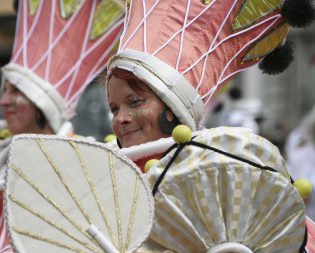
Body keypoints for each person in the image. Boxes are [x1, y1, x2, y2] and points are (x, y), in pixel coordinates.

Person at [104, 0, 315, 251]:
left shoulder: (228, 173)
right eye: (114, 108)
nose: (120, 119)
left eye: (135, 102)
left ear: (173, 109)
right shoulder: (104, 184)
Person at [0, 0, 124, 252]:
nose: (3, 101)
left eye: (15, 92)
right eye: (4, 90)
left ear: (43, 104)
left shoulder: (84, 162)